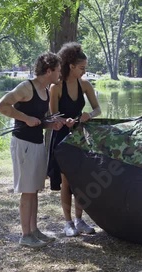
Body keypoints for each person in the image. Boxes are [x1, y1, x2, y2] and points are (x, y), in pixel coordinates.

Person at [0, 52, 64, 248]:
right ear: (49, 70)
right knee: (27, 190)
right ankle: (25, 235)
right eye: (58, 70)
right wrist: (24, 118)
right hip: (23, 143)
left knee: (34, 188)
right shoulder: (26, 87)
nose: (59, 73)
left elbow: (39, 121)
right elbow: (1, 106)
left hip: (37, 143)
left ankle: (34, 230)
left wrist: (51, 125)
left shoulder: (47, 90)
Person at [47, 42, 101, 237]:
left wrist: (88, 115)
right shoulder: (56, 87)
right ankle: (68, 222)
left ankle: (80, 220)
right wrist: (63, 120)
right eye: (82, 68)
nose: (84, 71)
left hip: (80, 135)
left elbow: (97, 109)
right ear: (70, 66)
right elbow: (53, 117)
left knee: (81, 179)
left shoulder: (84, 84)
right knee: (66, 180)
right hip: (62, 137)